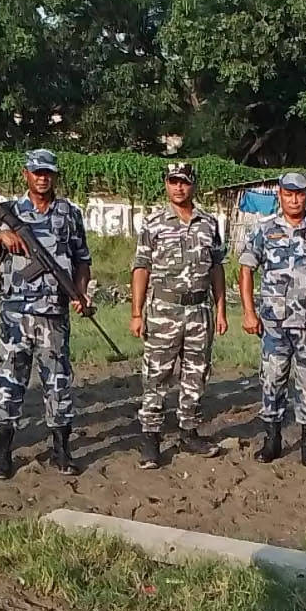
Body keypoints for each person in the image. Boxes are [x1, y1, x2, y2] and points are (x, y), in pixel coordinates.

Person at [0, 149, 92, 479]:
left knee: (58, 384)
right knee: (9, 383)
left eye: (48, 172)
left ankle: (61, 449)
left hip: (54, 315)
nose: (43, 177)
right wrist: (1, 237)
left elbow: (82, 258)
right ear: (26, 174)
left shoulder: (69, 214)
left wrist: (79, 292)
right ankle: (2, 451)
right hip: (15, 316)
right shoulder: (8, 212)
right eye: (37, 172)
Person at [238, 171, 306, 465]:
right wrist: (248, 312)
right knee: (272, 379)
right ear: (280, 195)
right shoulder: (264, 230)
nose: (294, 199)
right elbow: (246, 268)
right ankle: (272, 439)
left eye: (299, 194)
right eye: (288, 194)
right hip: (274, 323)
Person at [130, 163, 228, 469]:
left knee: (196, 374)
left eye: (184, 182)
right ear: (166, 184)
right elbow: (141, 267)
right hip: (164, 310)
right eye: (173, 182)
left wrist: (221, 308)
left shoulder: (208, 223)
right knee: (156, 375)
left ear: (193, 185)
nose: (178, 187)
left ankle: (188, 430)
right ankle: (151, 438)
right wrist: (137, 312)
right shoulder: (154, 223)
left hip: (199, 310)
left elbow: (216, 267)